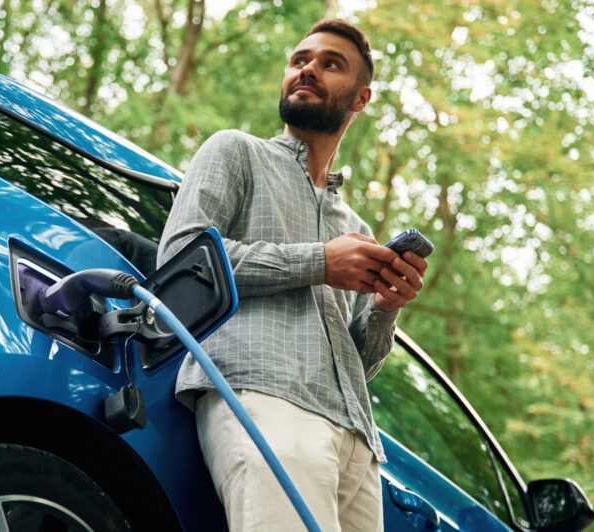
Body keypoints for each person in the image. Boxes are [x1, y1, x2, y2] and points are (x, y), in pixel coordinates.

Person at [157, 19, 428, 532]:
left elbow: (361, 365)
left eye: (330, 64)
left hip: (357, 444)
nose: (307, 69)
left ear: (361, 98)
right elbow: (180, 262)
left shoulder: (358, 230)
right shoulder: (235, 151)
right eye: (300, 60)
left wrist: (385, 308)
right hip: (260, 394)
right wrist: (321, 261)